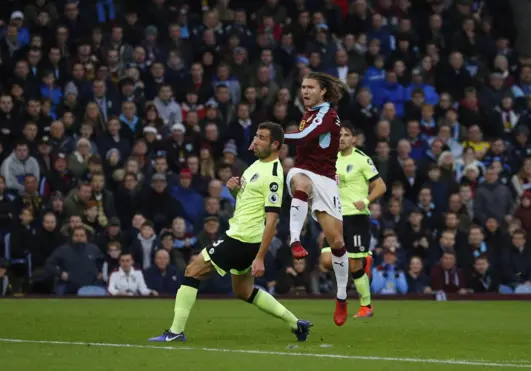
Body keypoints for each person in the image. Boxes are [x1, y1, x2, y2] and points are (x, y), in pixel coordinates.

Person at [149, 122, 311, 343]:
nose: (255, 141)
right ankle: (296, 323)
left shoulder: (273, 175)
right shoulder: (255, 166)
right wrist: (235, 191)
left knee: (193, 269)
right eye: (256, 136)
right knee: (243, 291)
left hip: (241, 239)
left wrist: (261, 258)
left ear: (275, 145)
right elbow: (248, 204)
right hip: (243, 237)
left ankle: (176, 331)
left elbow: (272, 220)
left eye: (261, 138)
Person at [282, 72, 350, 326]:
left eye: (310, 87)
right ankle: (295, 241)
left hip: (327, 181)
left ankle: (341, 296)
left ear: (323, 91)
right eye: (302, 87)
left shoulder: (327, 115)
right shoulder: (309, 112)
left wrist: (277, 134)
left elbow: (304, 138)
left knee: (337, 242)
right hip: (305, 171)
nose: (305, 91)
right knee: (300, 181)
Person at [320, 123, 386, 318]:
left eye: (346, 135)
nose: (341, 138)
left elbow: (380, 186)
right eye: (339, 135)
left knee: (354, 265)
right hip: (334, 216)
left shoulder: (362, 160)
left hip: (355, 217)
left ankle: (366, 306)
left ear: (354, 139)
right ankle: (362, 260)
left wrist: (365, 200)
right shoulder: (330, 159)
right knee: (325, 261)